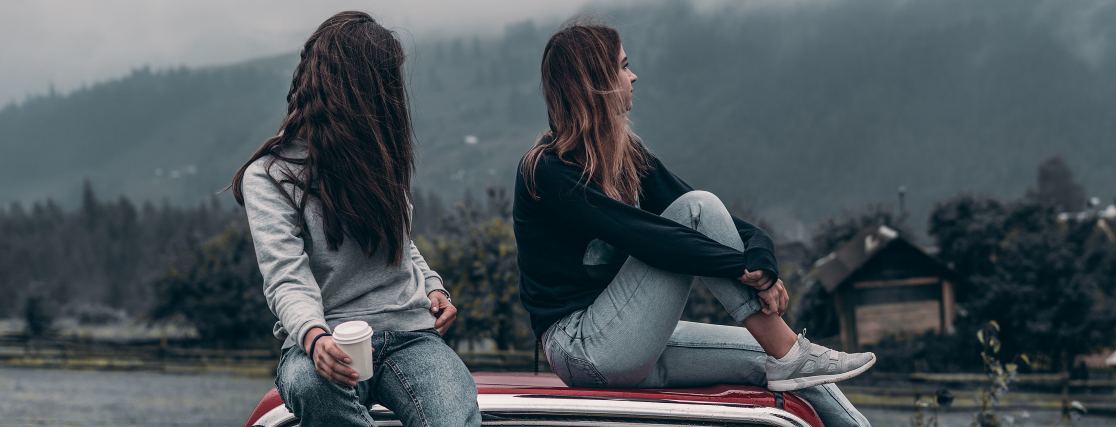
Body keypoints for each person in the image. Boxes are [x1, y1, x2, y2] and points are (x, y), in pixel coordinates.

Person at [514, 22, 875, 426]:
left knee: (787, 368)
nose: (633, 77)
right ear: (596, 82)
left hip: (633, 339)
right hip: (582, 347)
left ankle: (795, 358)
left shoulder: (626, 153)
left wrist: (761, 254)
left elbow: (704, 214)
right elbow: (648, 236)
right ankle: (788, 348)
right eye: (623, 66)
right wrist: (740, 269)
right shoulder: (548, 170)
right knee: (697, 208)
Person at [230, 11, 479, 427]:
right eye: (386, 81)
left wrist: (434, 287)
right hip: (323, 339)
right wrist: (315, 337)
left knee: (453, 411)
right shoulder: (269, 176)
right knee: (309, 386)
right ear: (358, 88)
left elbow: (401, 241)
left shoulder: (380, 157)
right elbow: (285, 276)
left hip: (411, 336)